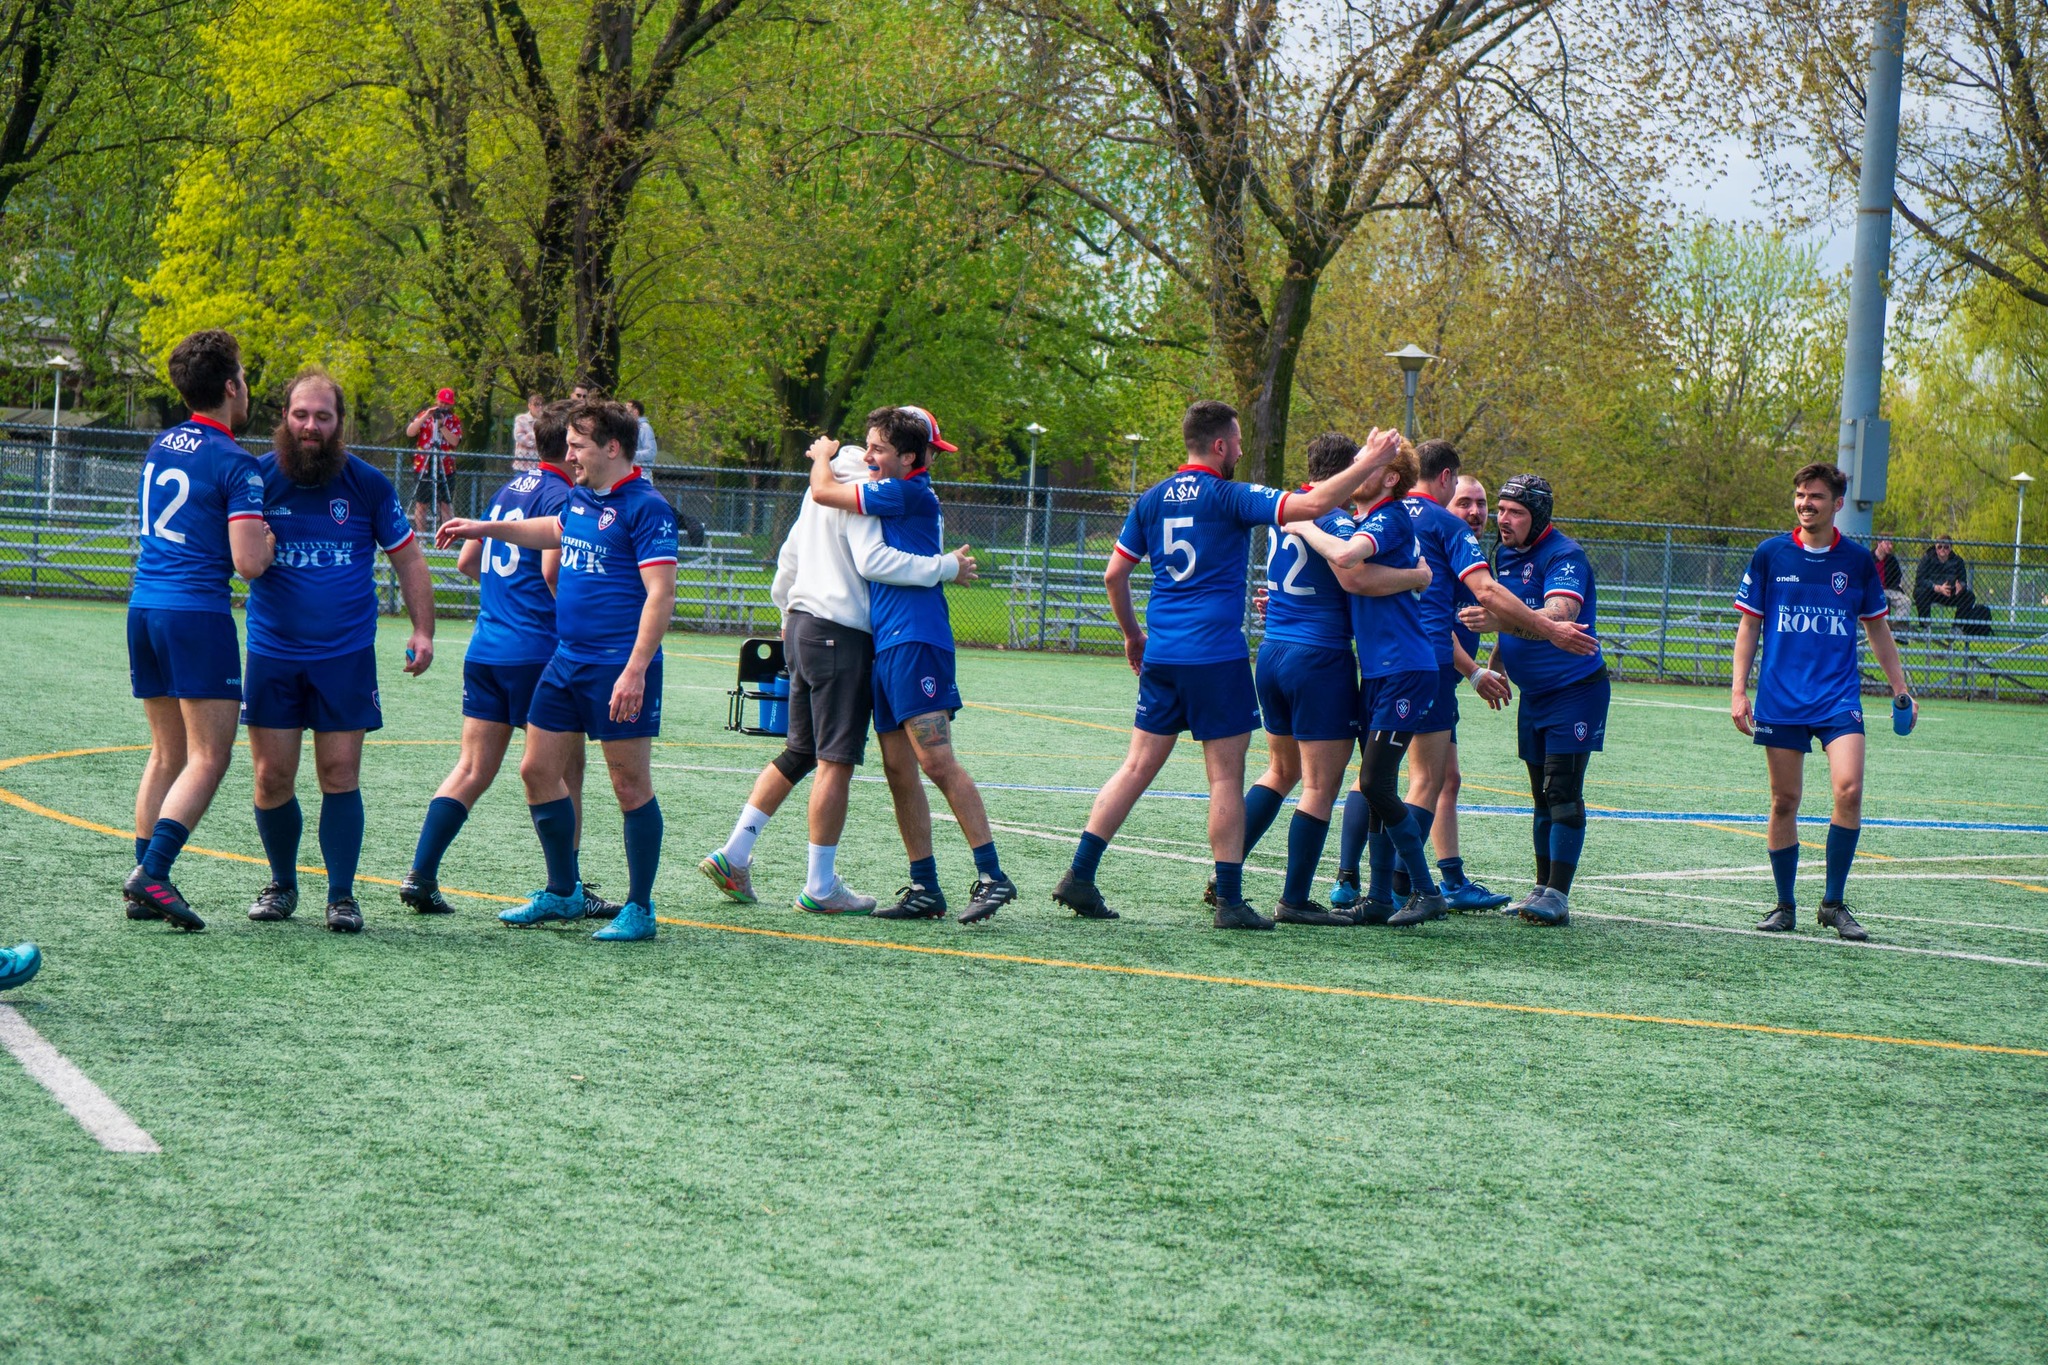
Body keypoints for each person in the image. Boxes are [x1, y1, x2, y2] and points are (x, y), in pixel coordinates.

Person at [1052, 399, 1401, 930]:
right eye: (1237, 442)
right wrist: (1368, 460)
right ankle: (1232, 901)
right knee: (1225, 779)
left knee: (1136, 767)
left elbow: (1112, 576)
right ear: (1219, 445)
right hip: (1216, 657)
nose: (1240, 449)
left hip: (1165, 653)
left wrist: (1133, 635)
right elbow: (1313, 506)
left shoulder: (1150, 499)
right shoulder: (1229, 495)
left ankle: (1079, 873)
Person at [701, 429, 971, 916]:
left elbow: (788, 557)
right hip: (840, 633)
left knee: (799, 751)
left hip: (801, 625)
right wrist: (944, 567)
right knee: (835, 760)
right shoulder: (865, 487)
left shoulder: (819, 480)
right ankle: (820, 885)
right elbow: (872, 560)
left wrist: (786, 614)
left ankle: (735, 854)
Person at [435, 399, 678, 942]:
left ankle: (640, 907)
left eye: (578, 445)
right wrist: (484, 527)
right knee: (537, 771)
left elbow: (661, 596)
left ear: (612, 448)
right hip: (565, 661)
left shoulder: (647, 507)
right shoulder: (582, 497)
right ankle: (565, 891)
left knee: (629, 784)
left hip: (618, 667)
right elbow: (552, 529)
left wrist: (636, 670)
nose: (568, 454)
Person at [399, 402, 620, 921]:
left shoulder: (507, 491)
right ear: (566, 446)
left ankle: (420, 874)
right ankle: (567, 885)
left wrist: (505, 593)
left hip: (486, 647)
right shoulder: (566, 493)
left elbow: (467, 561)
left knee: (473, 768)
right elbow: (552, 574)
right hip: (538, 652)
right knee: (567, 771)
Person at [803, 406, 1015, 923]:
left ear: (908, 458)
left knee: (936, 761)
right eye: (868, 447)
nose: (869, 456)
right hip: (892, 643)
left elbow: (824, 492)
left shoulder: (905, 490)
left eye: (878, 449)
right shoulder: (899, 488)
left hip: (916, 640)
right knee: (900, 770)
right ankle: (925, 887)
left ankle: (993, 876)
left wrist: (823, 457)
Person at [243, 369, 436, 934]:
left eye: (322, 417)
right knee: (271, 776)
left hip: (345, 655)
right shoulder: (254, 480)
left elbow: (410, 560)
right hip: (273, 653)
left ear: (338, 424)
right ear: (284, 416)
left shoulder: (367, 484)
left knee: (339, 771)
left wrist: (423, 631)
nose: (310, 427)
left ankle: (342, 895)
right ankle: (281, 884)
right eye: (301, 415)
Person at [1240, 432, 1429, 925]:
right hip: (1318, 657)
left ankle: (1226, 873)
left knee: (1280, 772)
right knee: (1321, 786)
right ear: (1347, 470)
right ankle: (1296, 899)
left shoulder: (1292, 507)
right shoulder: (1338, 518)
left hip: (1273, 650)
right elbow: (1350, 574)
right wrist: (1417, 577)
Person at [122, 329, 275, 930]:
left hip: (144, 608)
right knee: (210, 757)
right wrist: (267, 540)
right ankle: (153, 875)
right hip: (195, 614)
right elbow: (248, 564)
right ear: (231, 386)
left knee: (167, 752)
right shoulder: (236, 460)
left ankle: (144, 878)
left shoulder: (163, 443)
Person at [1731, 462, 1915, 941]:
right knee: (1784, 800)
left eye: (1814, 496)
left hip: (1837, 698)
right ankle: (1784, 904)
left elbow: (1877, 627)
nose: (1804, 503)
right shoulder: (1770, 554)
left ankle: (1833, 903)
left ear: (1837, 503)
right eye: (1798, 495)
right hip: (1780, 698)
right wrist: (1738, 690)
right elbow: (1749, 626)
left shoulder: (1856, 561)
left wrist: (1901, 688)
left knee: (1849, 790)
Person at [1455, 474, 1606, 927]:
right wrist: (1498, 663)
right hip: (1534, 695)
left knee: (1562, 790)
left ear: (1538, 515)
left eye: (1514, 512)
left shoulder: (1565, 556)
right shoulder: (1505, 554)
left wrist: (1498, 617)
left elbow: (1559, 616)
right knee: (1541, 796)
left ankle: (1558, 894)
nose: (1502, 520)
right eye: (1500, 510)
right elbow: (1515, 617)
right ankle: (1541, 887)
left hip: (1575, 690)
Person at [1435, 474, 1515, 900]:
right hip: (1422, 680)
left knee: (1446, 779)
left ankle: (1449, 880)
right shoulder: (1442, 546)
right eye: (1464, 501)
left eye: (1482, 504)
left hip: (1440, 683)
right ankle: (1372, 881)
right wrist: (1474, 672)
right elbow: (1431, 627)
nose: (1476, 512)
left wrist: (1493, 659)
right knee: (1402, 780)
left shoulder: (1472, 554)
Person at [406, 387, 461, 529]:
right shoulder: (425, 414)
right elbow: (410, 432)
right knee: (421, 503)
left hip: (445, 465)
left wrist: (442, 425)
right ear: (437, 400)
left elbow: (454, 441)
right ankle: (423, 539)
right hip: (424, 463)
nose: (443, 406)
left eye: (447, 403)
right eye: (442, 402)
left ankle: (447, 537)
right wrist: (426, 416)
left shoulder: (453, 420)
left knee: (445, 503)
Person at [1914, 536, 1975, 622]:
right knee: (1919, 591)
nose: (1942, 549)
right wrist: (1937, 587)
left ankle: (1957, 627)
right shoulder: (1927, 558)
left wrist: (1960, 586)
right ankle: (1925, 626)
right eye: (1939, 547)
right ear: (1935, 547)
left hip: (1950, 592)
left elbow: (1963, 580)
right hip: (1932, 592)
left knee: (1969, 596)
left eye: (1946, 547)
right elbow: (1920, 579)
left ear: (1950, 548)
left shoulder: (1957, 561)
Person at [511, 392, 543, 471]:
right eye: (536, 405)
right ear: (529, 406)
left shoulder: (545, 421)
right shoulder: (521, 419)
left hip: (539, 466)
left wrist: (530, 436)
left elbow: (547, 440)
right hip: (522, 466)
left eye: (541, 405)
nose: (539, 407)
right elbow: (519, 437)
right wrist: (538, 439)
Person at [628, 399, 658, 470]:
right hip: (632, 472)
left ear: (636, 411)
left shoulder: (645, 428)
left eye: (627, 409)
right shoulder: (632, 428)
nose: (625, 412)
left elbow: (651, 452)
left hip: (643, 474)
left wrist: (630, 454)